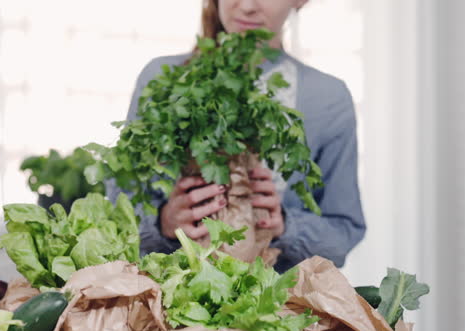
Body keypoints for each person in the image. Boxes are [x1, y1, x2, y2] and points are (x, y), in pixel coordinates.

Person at [109, 0, 365, 272]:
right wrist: (163, 222)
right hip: (167, 299)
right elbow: (116, 212)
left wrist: (285, 225)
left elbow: (343, 235)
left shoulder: (327, 98)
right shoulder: (160, 80)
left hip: (278, 305)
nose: (246, 6)